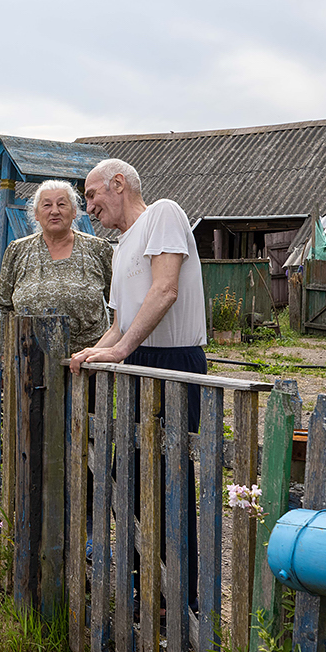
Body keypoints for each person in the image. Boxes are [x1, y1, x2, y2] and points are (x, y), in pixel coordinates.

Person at [69, 157, 206, 614]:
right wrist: (93, 351)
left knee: (169, 479)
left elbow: (165, 290)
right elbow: (117, 325)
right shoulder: (121, 245)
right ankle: (143, 584)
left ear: (119, 184)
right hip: (136, 356)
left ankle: (177, 598)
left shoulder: (162, 214)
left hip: (172, 360)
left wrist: (121, 349)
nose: (87, 207)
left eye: (91, 195)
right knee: (128, 473)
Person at [0, 179, 113, 351]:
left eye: (62, 204)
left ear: (74, 211)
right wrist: (5, 352)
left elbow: (118, 304)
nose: (54, 211)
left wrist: (110, 350)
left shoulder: (99, 249)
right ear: (36, 214)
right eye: (47, 205)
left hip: (89, 364)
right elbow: (1, 306)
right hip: (29, 363)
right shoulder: (17, 250)